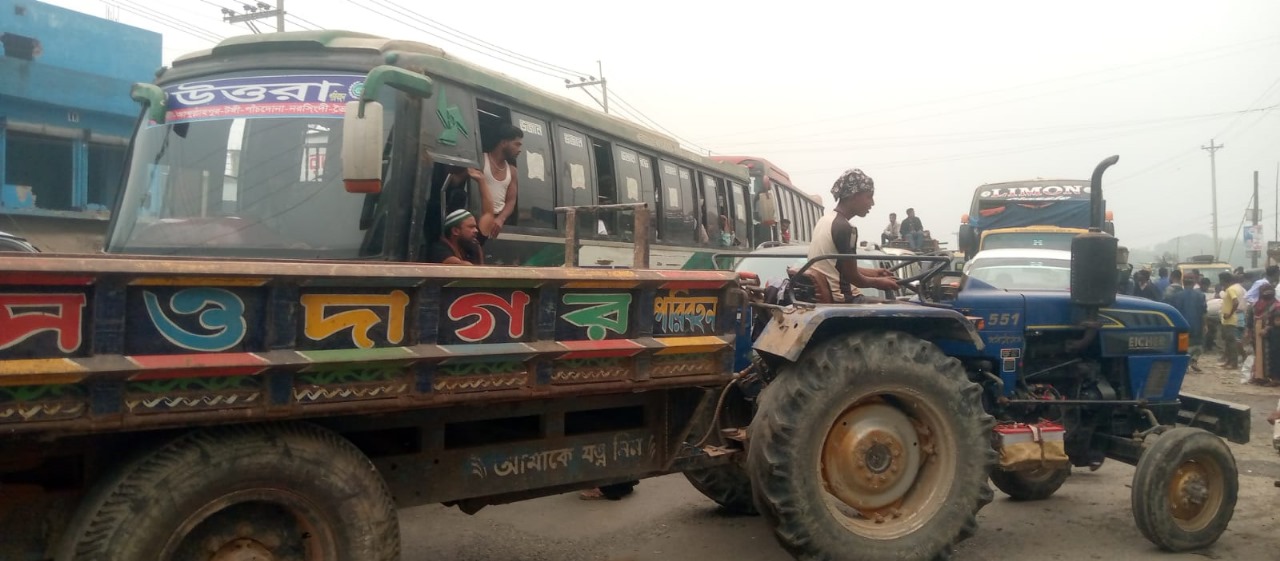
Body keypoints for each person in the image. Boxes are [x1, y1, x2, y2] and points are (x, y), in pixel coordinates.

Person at [806, 168, 899, 303]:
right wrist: (879, 283)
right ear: (854, 196)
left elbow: (837, 267)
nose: (872, 203)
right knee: (904, 307)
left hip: (831, 295)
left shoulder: (825, 221)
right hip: (844, 299)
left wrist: (874, 273)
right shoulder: (846, 228)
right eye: (869, 196)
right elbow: (853, 278)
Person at [479, 124, 523, 242]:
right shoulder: (481, 160)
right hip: (477, 218)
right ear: (503, 143)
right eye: (516, 144)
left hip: (495, 225)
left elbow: (511, 201)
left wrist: (501, 219)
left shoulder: (512, 171)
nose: (520, 150)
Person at [1167, 274, 1206, 372]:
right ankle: (1194, 360)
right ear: (1194, 283)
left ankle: (1185, 364)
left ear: (1183, 283)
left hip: (1181, 325)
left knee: (1182, 346)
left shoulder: (1176, 296)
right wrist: (1205, 325)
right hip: (1197, 324)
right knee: (1198, 345)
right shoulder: (1201, 295)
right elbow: (1204, 312)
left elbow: (1173, 312)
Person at [1247, 284, 1280, 385]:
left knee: (1274, 356)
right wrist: (1249, 331)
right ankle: (1261, 376)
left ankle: (1275, 378)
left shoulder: (1277, 306)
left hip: (1274, 335)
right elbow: (1251, 317)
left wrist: (1267, 328)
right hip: (1258, 336)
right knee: (1259, 355)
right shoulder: (1257, 305)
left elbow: (1277, 322)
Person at [1219, 272, 1247, 370]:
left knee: (1231, 342)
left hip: (1230, 319)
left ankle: (1233, 363)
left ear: (1223, 280)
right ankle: (1229, 361)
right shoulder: (1234, 288)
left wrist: (1230, 313)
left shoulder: (1230, 289)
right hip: (1228, 319)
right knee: (1228, 341)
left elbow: (1236, 302)